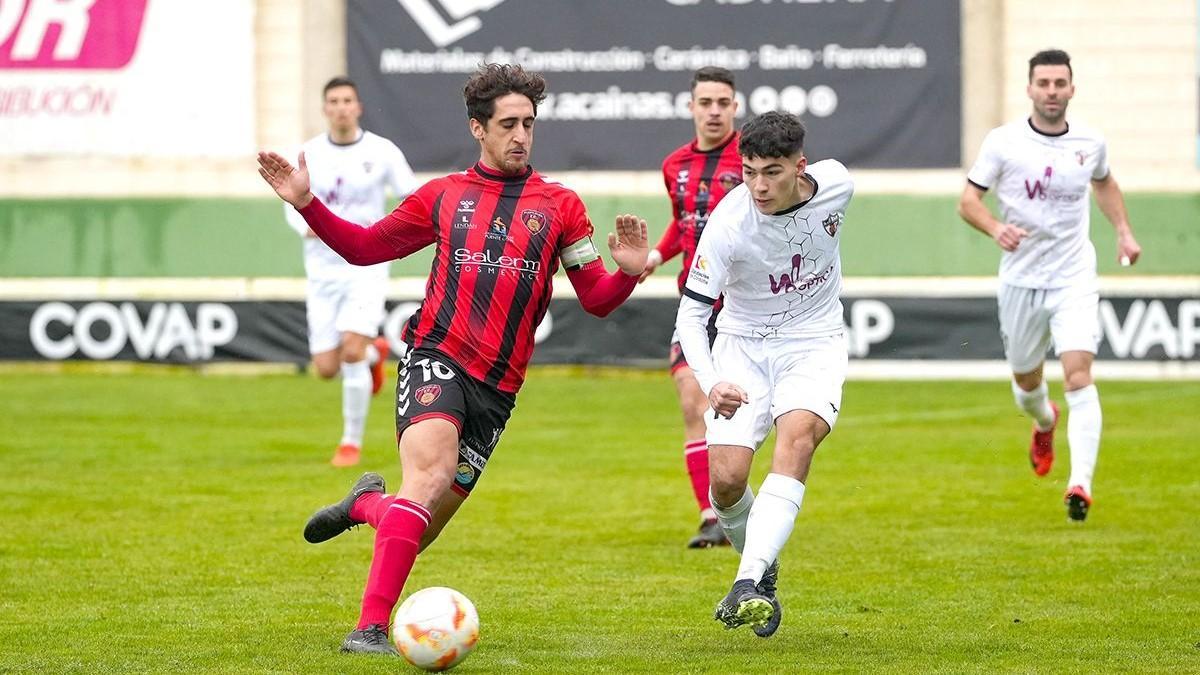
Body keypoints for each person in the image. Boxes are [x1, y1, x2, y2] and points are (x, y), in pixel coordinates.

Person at [257, 63, 649, 655]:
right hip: (436, 356)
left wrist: (626, 274)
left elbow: (595, 300)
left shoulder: (561, 205)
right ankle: (368, 630)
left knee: (420, 523)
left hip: (499, 389)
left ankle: (364, 503)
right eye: (508, 124)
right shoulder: (444, 196)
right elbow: (365, 249)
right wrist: (308, 202)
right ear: (478, 128)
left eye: (529, 124)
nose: (521, 135)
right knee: (430, 475)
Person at [675, 111, 854, 637]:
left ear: (801, 167)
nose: (757, 185)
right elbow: (690, 314)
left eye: (771, 172)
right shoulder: (728, 225)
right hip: (742, 350)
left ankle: (748, 580)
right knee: (727, 484)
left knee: (795, 441)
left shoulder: (837, 184)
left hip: (814, 345)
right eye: (748, 171)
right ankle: (764, 562)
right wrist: (712, 381)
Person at [957, 49, 1142, 522]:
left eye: (1060, 83)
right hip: (1021, 278)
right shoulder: (1003, 142)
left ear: (1072, 89)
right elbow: (969, 201)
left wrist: (1123, 230)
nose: (1052, 91)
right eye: (1044, 83)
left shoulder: (1090, 141)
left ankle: (1080, 483)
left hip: (1073, 274)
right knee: (1026, 382)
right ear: (1030, 89)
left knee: (1079, 374)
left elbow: (1105, 183)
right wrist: (996, 228)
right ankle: (1045, 421)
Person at [283, 76, 419, 467]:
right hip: (323, 271)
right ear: (325, 109)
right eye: (334, 101)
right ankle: (376, 357)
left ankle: (349, 443)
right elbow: (289, 201)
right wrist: (305, 226)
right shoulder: (309, 153)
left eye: (348, 100)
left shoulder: (382, 151)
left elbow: (411, 197)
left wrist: (389, 233)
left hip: (366, 266)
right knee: (326, 368)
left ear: (358, 107)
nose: (341, 107)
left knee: (350, 351)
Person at [640, 66, 743, 549]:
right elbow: (682, 223)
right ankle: (711, 515)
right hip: (695, 306)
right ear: (692, 107)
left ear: (735, 107)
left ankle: (737, 501)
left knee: (744, 412)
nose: (715, 111)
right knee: (691, 402)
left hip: (746, 307)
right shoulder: (673, 165)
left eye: (723, 102)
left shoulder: (751, 159)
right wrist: (656, 256)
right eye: (706, 102)